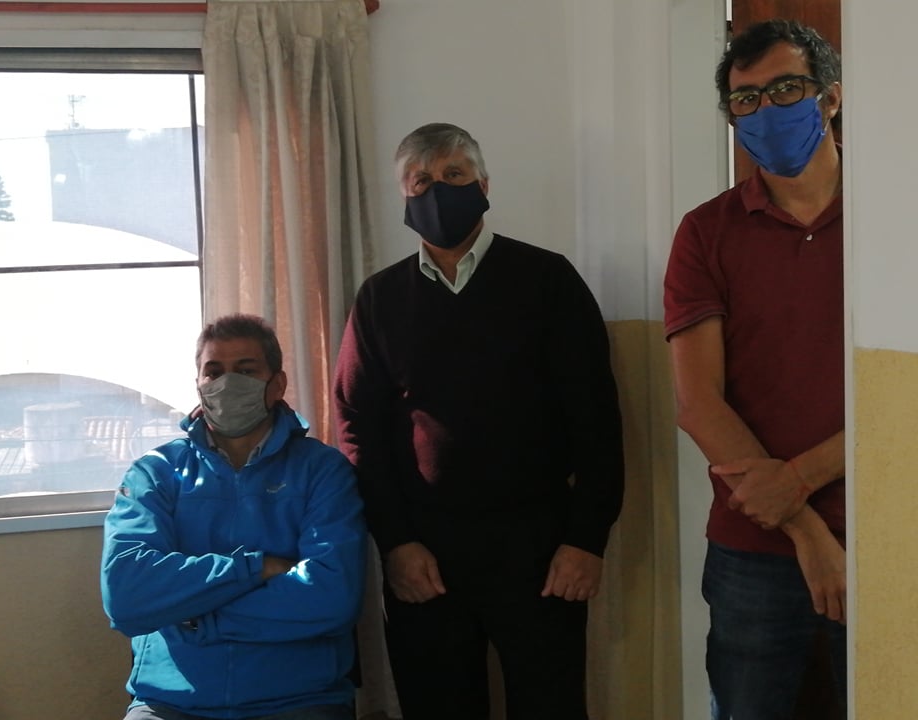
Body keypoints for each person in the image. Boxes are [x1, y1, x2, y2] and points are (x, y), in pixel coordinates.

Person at [333, 122, 624, 720]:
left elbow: (596, 417)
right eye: (421, 181)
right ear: (404, 197)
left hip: (540, 548)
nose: (438, 189)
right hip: (426, 553)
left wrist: (585, 540)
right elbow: (357, 428)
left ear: (484, 185)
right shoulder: (379, 299)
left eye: (454, 175)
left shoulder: (549, 280)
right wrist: (396, 543)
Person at [663, 19, 846, 719]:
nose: (766, 110)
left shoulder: (898, 213)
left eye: (787, 89)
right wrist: (803, 526)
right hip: (753, 547)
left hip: (888, 521)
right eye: (746, 100)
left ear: (830, 97)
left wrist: (797, 481)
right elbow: (697, 403)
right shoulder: (705, 232)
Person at [101, 313, 367, 720]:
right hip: (170, 702)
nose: (227, 383)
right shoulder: (155, 473)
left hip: (299, 698)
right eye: (214, 372)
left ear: (277, 384)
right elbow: (126, 595)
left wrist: (198, 617)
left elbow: (331, 596)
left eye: (245, 370)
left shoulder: (322, 470)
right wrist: (255, 568)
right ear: (198, 384)